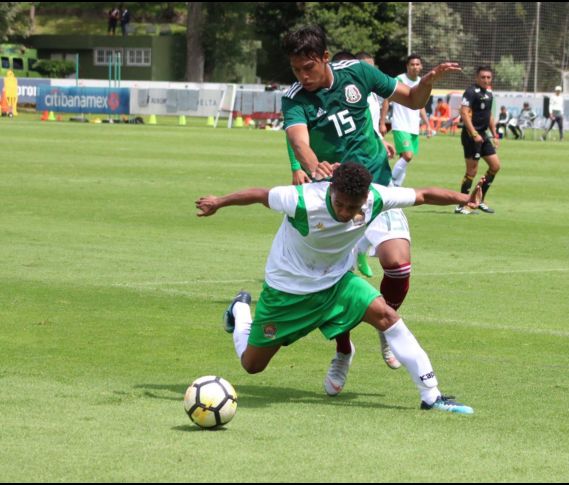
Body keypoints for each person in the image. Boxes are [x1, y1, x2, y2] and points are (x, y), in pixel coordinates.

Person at [197, 163, 479, 414]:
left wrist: (466, 198)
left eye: (352, 207)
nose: (345, 212)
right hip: (287, 289)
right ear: (331, 189)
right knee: (252, 365)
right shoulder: (303, 200)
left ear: (365, 199)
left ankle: (432, 396)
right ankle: (240, 309)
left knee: (387, 317)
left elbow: (424, 195)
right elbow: (260, 194)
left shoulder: (376, 198)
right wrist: (218, 202)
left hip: (336, 283)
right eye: (340, 204)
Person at [280, 26, 460, 373]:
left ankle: (385, 323)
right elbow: (298, 141)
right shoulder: (294, 97)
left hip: (377, 185)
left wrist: (429, 81)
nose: (303, 76)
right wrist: (313, 166)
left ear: (325, 58)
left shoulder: (358, 74)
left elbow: (413, 99)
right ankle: (343, 351)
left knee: (398, 264)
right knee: (334, 283)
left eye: (309, 67)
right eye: (296, 69)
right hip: (334, 198)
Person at [381, 54, 433, 187]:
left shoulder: (422, 82)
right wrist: (382, 123)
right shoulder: (399, 79)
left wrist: (427, 124)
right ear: (407, 66)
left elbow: (420, 105)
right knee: (408, 156)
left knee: (404, 160)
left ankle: (395, 190)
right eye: (412, 64)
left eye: (417, 64)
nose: (415, 67)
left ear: (421, 66)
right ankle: (389, 182)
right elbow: (387, 99)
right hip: (400, 125)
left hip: (413, 127)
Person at [455, 66, 501, 215]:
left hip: (484, 135)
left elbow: (489, 116)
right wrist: (474, 133)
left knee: (495, 166)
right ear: (477, 77)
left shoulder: (489, 92)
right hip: (471, 136)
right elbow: (464, 113)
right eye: (483, 77)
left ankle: (479, 200)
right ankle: (461, 205)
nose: (486, 80)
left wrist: (495, 134)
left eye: (488, 77)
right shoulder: (470, 92)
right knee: (471, 171)